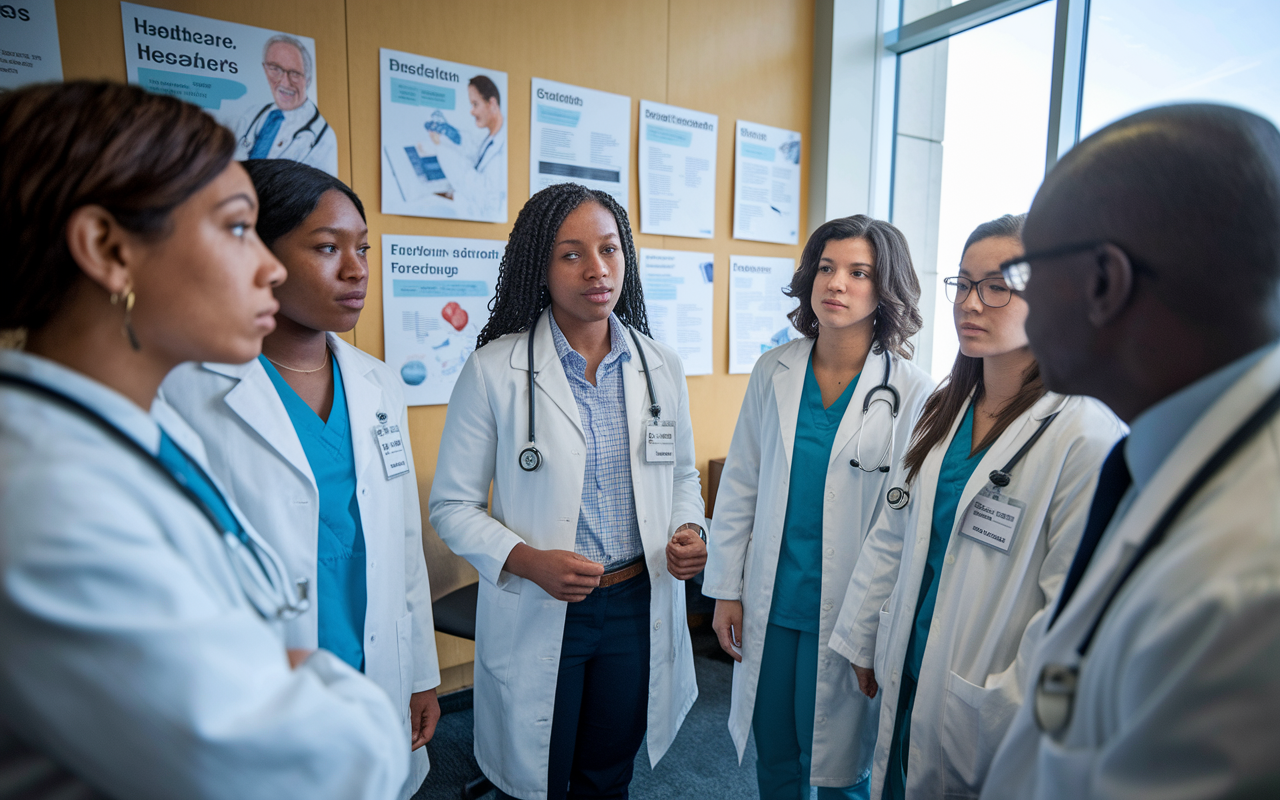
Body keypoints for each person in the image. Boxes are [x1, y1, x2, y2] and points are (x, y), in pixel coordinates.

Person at [0, 81, 406, 799]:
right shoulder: (49, 498)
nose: (271, 269)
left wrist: (274, 671)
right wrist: (337, 701)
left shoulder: (123, 432)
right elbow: (300, 767)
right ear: (108, 249)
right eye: (237, 228)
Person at [980, 105, 1280, 799]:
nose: (1015, 303)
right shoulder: (1170, 455)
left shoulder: (1243, 585)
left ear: (1104, 284)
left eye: (1025, 275)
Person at [160, 159, 440, 800]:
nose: (356, 269)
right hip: (261, 674)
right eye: (326, 247)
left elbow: (401, 545)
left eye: (362, 248)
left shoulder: (377, 385)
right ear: (253, 252)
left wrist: (421, 671)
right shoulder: (187, 389)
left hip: (377, 662)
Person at [428, 182, 706, 800]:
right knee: (540, 777)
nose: (596, 269)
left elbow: (682, 474)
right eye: (571, 253)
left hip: (636, 601)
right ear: (540, 266)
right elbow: (452, 506)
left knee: (608, 773)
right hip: (543, 601)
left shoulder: (660, 365)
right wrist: (529, 563)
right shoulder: (495, 370)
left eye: (609, 249)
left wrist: (690, 530)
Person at [830, 214, 1123, 800]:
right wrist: (865, 635)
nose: (971, 303)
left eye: (997, 286)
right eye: (963, 284)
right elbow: (896, 531)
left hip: (987, 700)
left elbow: (1071, 610)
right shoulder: (943, 407)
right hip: (910, 664)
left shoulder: (1084, 434)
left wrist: (1010, 708)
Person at [704, 215, 935, 800]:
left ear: (885, 288)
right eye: (827, 268)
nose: (838, 284)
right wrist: (726, 590)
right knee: (777, 754)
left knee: (840, 770)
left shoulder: (913, 392)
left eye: (859, 273)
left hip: (851, 614)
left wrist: (873, 626)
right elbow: (740, 487)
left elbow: (901, 523)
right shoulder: (774, 370)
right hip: (773, 603)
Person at [232, 34, 338, 176]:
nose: (284, 82)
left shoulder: (323, 139)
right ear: (265, 69)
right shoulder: (251, 116)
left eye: (294, 73)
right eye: (275, 69)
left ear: (308, 79)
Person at [428, 74, 507, 221]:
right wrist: (450, 135)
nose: (472, 111)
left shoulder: (502, 152)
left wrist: (440, 147)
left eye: (475, 104)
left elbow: (478, 190)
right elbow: (474, 152)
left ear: (492, 104)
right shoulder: (491, 138)